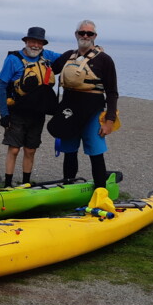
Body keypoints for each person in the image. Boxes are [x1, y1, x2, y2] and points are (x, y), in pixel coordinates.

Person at [48, 19, 118, 190]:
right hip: (69, 110)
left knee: (95, 152)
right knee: (69, 151)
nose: (85, 36)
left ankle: (100, 190)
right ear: (76, 34)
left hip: (93, 112)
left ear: (95, 36)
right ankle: (68, 186)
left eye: (89, 33)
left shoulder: (105, 60)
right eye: (82, 32)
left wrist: (109, 121)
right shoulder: (68, 56)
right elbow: (49, 69)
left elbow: (112, 92)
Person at [0, 26, 60, 187]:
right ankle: (8, 184)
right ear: (26, 41)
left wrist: (93, 51)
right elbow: (2, 86)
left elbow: (70, 58)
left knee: (30, 150)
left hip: (38, 114)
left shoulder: (47, 56)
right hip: (16, 112)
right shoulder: (13, 59)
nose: (35, 45)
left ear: (43, 44)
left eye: (39, 43)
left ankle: (25, 183)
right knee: (14, 149)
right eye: (32, 41)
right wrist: (4, 114)